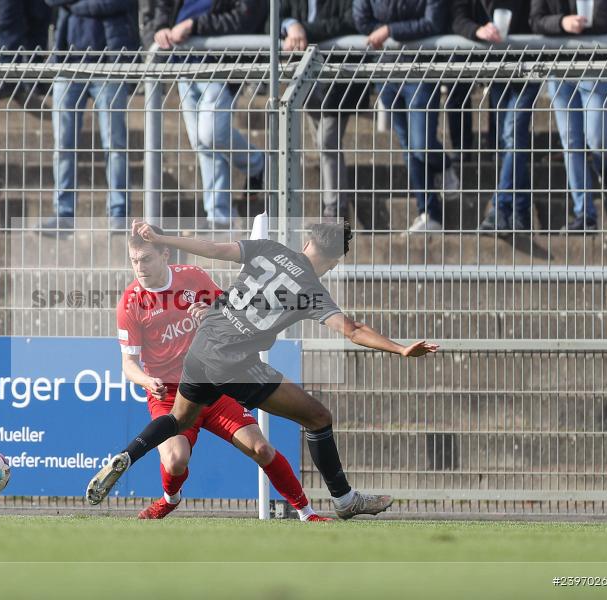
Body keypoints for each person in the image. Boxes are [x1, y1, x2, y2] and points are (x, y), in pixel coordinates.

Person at [87, 220, 439, 518]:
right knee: (318, 417)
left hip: (201, 350)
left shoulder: (271, 249)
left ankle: (127, 454)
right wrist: (400, 347)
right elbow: (353, 330)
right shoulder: (312, 292)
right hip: (235, 365)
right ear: (333, 262)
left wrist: (162, 238)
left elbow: (213, 248)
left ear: (307, 243)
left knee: (178, 420)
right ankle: (345, 500)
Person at [118, 226, 330, 520]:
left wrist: (210, 310)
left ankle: (307, 513)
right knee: (176, 460)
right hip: (170, 397)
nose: (139, 268)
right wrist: (146, 380)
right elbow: (128, 364)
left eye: (145, 259)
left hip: (214, 384)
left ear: (165, 253)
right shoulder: (131, 302)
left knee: (261, 449)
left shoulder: (192, 276)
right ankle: (170, 498)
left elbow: (232, 311)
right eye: (134, 261)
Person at [151, 0, 268, 229]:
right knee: (202, 144)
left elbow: (246, 17)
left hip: (219, 67)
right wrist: (162, 27)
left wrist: (194, 25)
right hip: (184, 64)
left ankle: (257, 163)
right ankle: (219, 216)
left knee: (211, 135)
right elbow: (163, 8)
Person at [354, 0, 453, 233]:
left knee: (421, 146)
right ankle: (428, 212)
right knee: (409, 149)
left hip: (420, 70)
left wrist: (390, 30)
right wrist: (401, 29)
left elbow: (433, 21)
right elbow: (361, 19)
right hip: (386, 71)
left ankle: (446, 165)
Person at [41, 0, 140, 233]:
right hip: (68, 64)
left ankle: (119, 213)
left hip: (110, 64)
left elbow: (110, 4)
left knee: (115, 145)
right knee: (63, 146)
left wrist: (73, 5)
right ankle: (63, 215)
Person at [280, 0, 380, 227]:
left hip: (339, 77)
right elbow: (271, 20)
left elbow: (349, 21)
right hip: (306, 77)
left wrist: (304, 30)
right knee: (324, 143)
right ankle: (336, 205)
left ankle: (334, 209)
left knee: (327, 142)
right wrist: (290, 24)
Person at [530, 0, 607, 232]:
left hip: (598, 66)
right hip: (560, 69)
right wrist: (562, 22)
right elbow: (536, 20)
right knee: (571, 141)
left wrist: (581, 26)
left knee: (596, 138)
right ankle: (584, 214)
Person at [452, 0, 539, 233]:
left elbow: (538, 15)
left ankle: (500, 207)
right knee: (509, 140)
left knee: (511, 133)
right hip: (498, 68)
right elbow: (457, 18)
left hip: (530, 65)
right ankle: (521, 212)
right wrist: (476, 30)